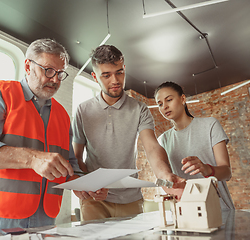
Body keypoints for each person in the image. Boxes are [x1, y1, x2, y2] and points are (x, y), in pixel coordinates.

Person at [0, 38, 101, 233]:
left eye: (60, 74)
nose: (55, 79)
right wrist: (32, 159)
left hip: (45, 220)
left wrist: (86, 184)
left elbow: (67, 164)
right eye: (48, 70)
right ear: (28, 66)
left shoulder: (62, 115)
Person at [71, 45, 185, 221]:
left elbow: (152, 148)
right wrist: (89, 184)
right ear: (95, 77)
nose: (115, 80)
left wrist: (165, 176)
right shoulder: (82, 111)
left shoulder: (140, 109)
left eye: (119, 72)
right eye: (106, 75)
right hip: (94, 200)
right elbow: (77, 157)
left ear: (124, 69)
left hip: (130, 199)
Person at [154, 81, 235, 209]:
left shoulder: (210, 125)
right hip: (185, 213)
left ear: (182, 99)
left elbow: (227, 172)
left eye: (169, 100)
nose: (164, 106)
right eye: (160, 104)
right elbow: (165, 179)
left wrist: (206, 169)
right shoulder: (162, 140)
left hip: (219, 210)